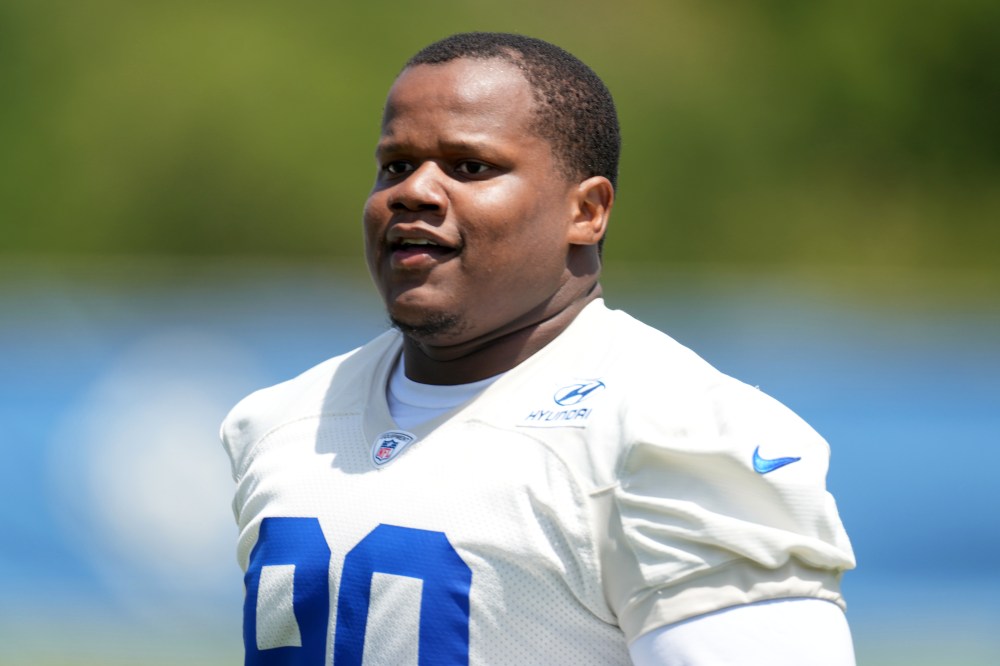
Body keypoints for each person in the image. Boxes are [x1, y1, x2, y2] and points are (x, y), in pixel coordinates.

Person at [221, 32, 856, 665]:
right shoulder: (284, 422)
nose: (413, 191)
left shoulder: (671, 433)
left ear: (587, 211)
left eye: (470, 167)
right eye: (396, 165)